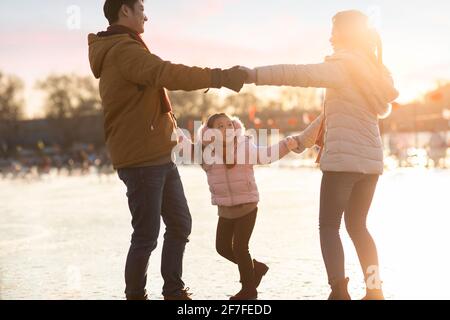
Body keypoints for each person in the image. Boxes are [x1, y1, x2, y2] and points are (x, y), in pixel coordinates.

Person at [88, 0, 247, 300]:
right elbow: (166, 73)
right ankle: (136, 295)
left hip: (158, 154)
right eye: (141, 9)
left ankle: (173, 290)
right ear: (125, 11)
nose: (146, 15)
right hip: (141, 159)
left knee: (179, 223)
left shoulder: (126, 47)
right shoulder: (123, 51)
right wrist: (219, 77)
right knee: (146, 236)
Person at [241, 10, 399, 300]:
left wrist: (251, 74)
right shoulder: (374, 71)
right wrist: (303, 140)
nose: (330, 35)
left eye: (333, 29)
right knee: (358, 227)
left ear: (342, 33)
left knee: (329, 226)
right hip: (371, 162)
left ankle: (338, 290)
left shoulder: (342, 67)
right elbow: (331, 114)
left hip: (342, 162)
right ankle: (375, 290)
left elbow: (295, 74)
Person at [178, 112, 315, 299]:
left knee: (240, 247)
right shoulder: (205, 152)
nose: (226, 129)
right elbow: (185, 147)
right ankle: (254, 269)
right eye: (220, 126)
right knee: (222, 247)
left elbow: (266, 155)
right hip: (225, 208)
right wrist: (170, 125)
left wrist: (285, 145)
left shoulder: (244, 145)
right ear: (210, 132)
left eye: (229, 125)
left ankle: (248, 290)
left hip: (247, 205)